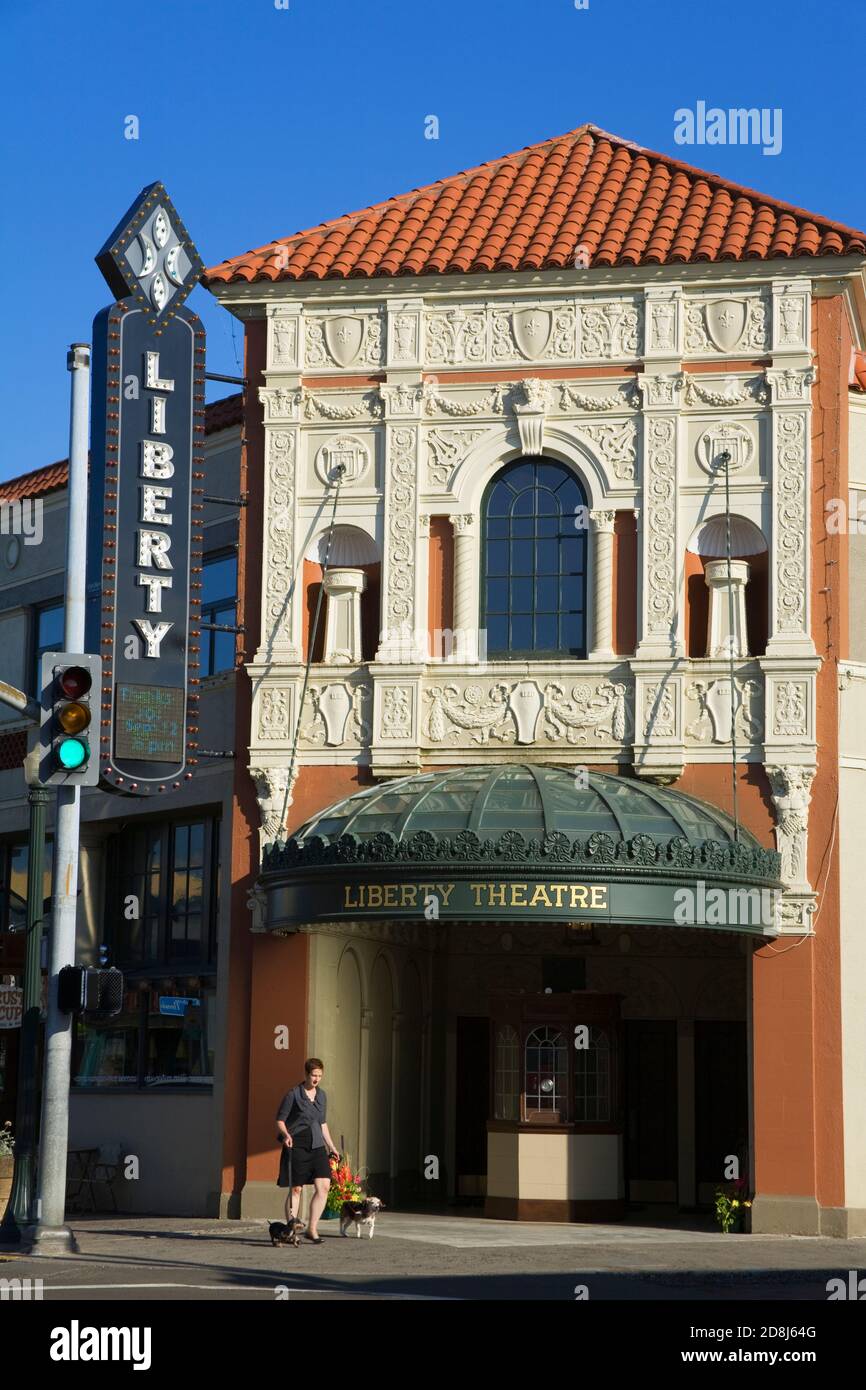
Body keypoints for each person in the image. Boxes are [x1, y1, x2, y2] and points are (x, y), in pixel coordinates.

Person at [275, 1057, 338, 1244]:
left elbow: (322, 1123)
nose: (316, 1079)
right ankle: (290, 1230)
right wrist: (286, 1135)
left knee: (324, 1186)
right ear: (306, 1074)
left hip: (317, 1145)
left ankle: (312, 1228)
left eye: (320, 1075)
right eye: (313, 1075)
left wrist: (332, 1147)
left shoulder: (322, 1095)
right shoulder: (293, 1094)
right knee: (296, 1189)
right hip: (297, 1145)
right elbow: (280, 1120)